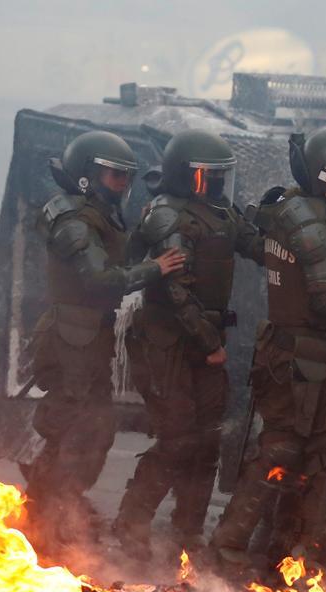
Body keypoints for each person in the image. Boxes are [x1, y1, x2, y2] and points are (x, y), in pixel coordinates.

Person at [207, 126, 326, 575]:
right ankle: (228, 549)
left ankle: (301, 554)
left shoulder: (292, 208)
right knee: (278, 450)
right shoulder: (311, 223)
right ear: (321, 176)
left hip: (307, 355)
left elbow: (261, 249)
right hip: (297, 356)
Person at [25, 130, 185, 550]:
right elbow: (100, 280)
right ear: (86, 177)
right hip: (69, 341)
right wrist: (156, 268)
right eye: (114, 176)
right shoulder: (73, 220)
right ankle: (44, 517)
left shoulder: (95, 215)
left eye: (124, 177)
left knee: (92, 432)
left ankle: (56, 510)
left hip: (87, 338)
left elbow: (114, 260)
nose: (122, 185)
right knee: (72, 432)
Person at [112, 128, 266, 561]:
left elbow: (254, 245)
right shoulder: (167, 215)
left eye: (219, 176)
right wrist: (209, 343)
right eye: (206, 176)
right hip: (169, 343)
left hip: (204, 342)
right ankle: (131, 522)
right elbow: (177, 292)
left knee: (208, 438)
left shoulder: (220, 211)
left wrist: (280, 227)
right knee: (178, 437)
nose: (215, 185)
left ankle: (188, 529)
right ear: (185, 176)